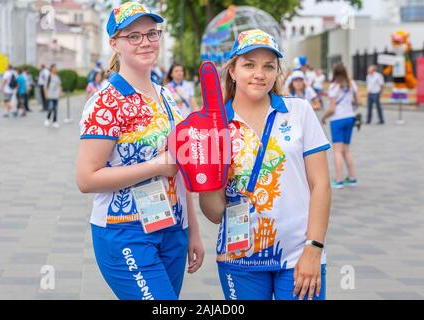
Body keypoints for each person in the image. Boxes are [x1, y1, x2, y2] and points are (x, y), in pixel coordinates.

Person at [76, 1, 204, 300]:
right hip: (126, 231)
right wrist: (157, 166)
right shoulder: (105, 102)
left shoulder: (167, 95)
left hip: (173, 229)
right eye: (133, 36)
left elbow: (179, 169)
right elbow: (86, 178)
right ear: (114, 44)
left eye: (151, 33)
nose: (145, 42)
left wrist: (192, 230)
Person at [198, 29, 331, 300]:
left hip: (298, 255)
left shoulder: (299, 112)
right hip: (239, 258)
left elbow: (321, 185)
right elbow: (213, 212)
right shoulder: (214, 125)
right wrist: (208, 171)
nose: (260, 73)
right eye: (249, 65)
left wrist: (314, 248)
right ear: (233, 71)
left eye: (269, 66)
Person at [321, 63, 359, 189]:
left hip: (337, 119)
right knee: (346, 150)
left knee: (337, 151)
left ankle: (339, 180)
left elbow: (332, 108)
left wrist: (324, 117)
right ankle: (352, 177)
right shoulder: (351, 84)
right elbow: (357, 101)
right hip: (350, 117)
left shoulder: (333, 87)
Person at [44, 64, 62, 128]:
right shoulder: (48, 76)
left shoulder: (57, 76)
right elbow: (45, 86)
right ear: (51, 68)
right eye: (55, 68)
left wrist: (60, 92)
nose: (56, 69)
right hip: (50, 95)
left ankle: (55, 121)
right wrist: (46, 94)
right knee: (50, 107)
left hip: (56, 95)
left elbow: (59, 85)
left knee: (55, 108)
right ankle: (47, 119)